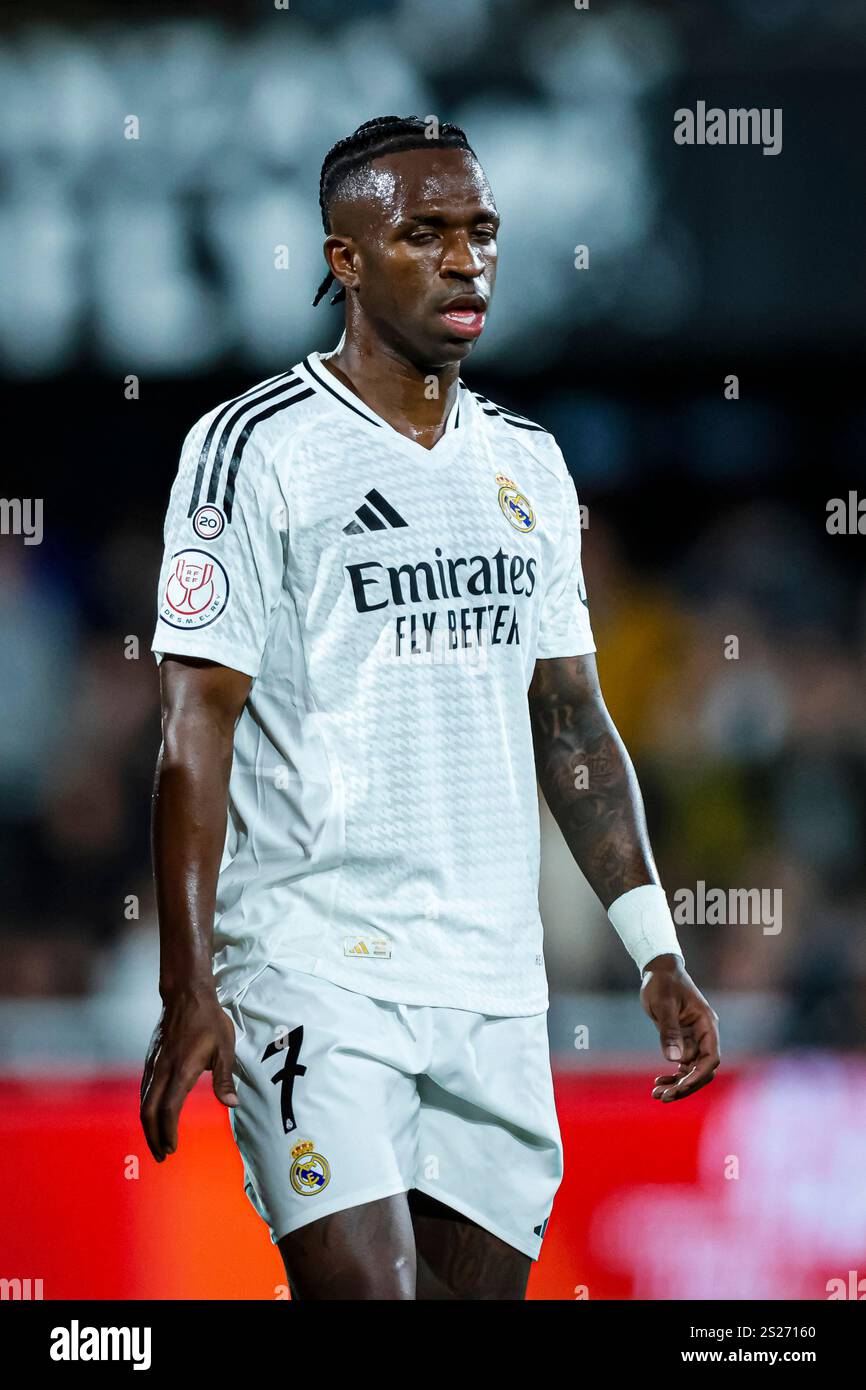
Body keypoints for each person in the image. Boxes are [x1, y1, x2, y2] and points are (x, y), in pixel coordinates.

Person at [140, 115, 720, 1301]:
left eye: (481, 232)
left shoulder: (526, 463)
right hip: (311, 965)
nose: (466, 262)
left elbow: (570, 723)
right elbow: (192, 732)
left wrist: (655, 951)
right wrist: (187, 982)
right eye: (424, 234)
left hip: (493, 986)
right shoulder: (252, 449)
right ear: (343, 260)